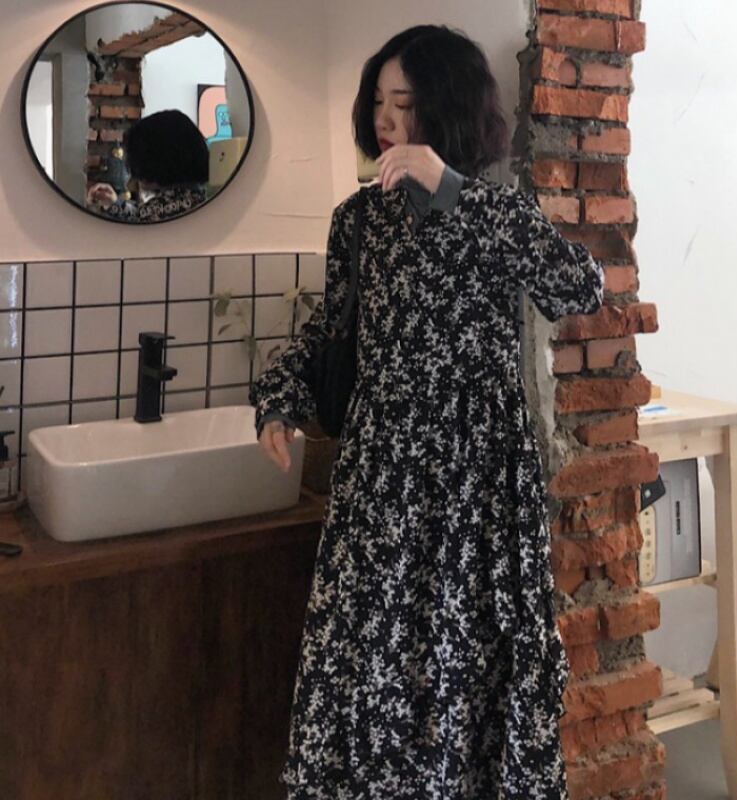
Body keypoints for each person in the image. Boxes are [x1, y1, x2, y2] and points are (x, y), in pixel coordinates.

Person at [249, 24, 605, 799]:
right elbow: (331, 333)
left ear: (445, 108)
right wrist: (279, 399)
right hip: (383, 478)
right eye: (378, 100)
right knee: (375, 664)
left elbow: (579, 289)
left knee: (468, 666)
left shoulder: (492, 212)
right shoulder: (358, 220)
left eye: (404, 103)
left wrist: (454, 190)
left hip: (478, 483)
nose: (385, 118)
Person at [86, 109, 208, 223]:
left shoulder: (163, 208)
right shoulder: (197, 199)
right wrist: (114, 204)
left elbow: (142, 219)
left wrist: (114, 206)